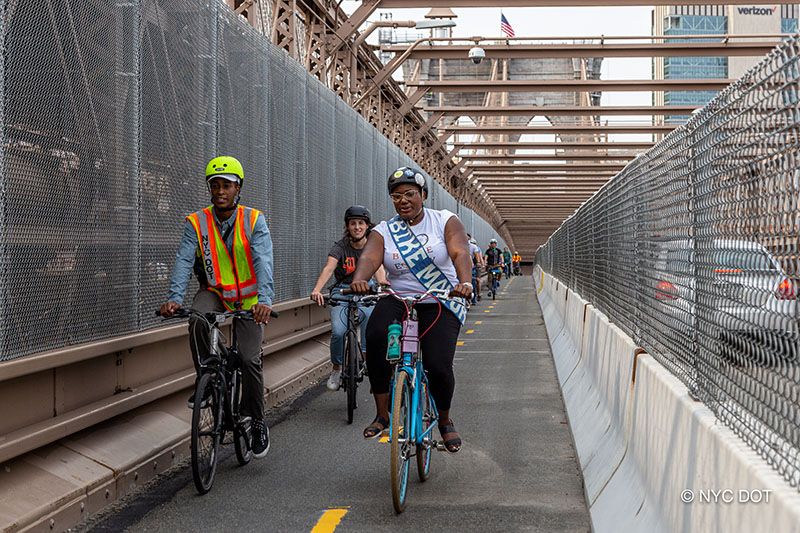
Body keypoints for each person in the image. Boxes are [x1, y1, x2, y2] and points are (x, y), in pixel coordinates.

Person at [350, 166, 473, 453]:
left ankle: (444, 419)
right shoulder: (384, 230)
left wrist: (465, 282)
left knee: (438, 364)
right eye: (396, 196)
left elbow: (460, 251)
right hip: (398, 298)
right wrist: (359, 279)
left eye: (409, 194)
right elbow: (370, 256)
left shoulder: (444, 221)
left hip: (440, 298)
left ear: (423, 195)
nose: (403, 200)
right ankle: (383, 413)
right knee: (376, 335)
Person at [159, 156, 274, 459]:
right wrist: (174, 297)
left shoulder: (254, 220)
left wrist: (264, 300)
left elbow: (263, 262)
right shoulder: (197, 222)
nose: (220, 190)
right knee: (197, 319)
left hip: (249, 301)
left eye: (227, 185)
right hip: (215, 293)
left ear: (238, 188)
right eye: (215, 185)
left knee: (249, 361)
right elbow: (184, 260)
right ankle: (208, 378)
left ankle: (257, 420)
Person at [310, 206, 387, 391]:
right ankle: (336, 368)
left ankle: (368, 361)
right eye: (353, 223)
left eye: (361, 223)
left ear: (367, 226)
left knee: (370, 322)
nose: (357, 227)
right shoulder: (341, 247)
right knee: (338, 331)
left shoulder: (372, 246)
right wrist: (317, 290)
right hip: (342, 291)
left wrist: (383, 285)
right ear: (348, 226)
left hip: (366, 291)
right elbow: (329, 268)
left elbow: (378, 269)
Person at [467, 234, 484, 305]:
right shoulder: (459, 245)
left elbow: (478, 256)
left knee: (475, 281)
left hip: (472, 266)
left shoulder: (474, 247)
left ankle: (474, 298)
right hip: (461, 265)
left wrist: (479, 263)